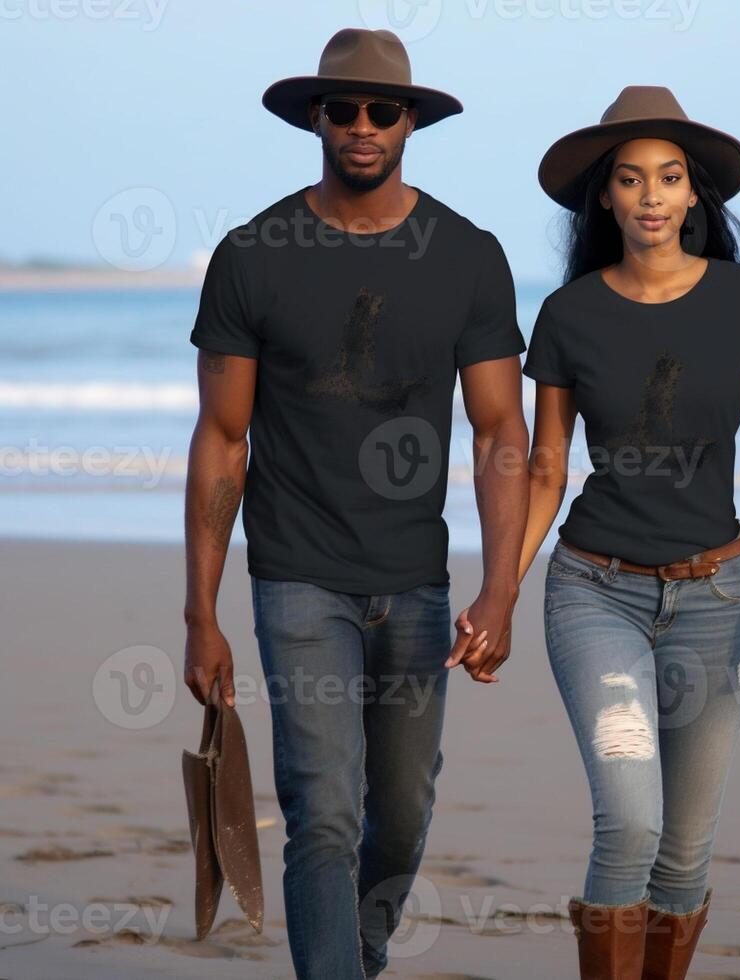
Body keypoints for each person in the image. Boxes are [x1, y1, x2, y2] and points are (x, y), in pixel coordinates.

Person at [183, 28, 528, 980]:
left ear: (411, 121)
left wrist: (500, 590)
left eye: (383, 110)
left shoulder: (468, 256)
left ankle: (360, 951)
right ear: (316, 118)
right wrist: (199, 614)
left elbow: (503, 433)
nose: (363, 126)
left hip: (416, 583)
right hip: (296, 577)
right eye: (344, 109)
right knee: (322, 811)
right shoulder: (253, 254)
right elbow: (222, 439)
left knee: (403, 814)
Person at [457, 85, 740, 979]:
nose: (651, 195)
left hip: (717, 599)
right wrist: (498, 591)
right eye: (630, 180)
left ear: (695, 195)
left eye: (668, 177)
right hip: (595, 591)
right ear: (606, 198)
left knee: (685, 854)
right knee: (631, 821)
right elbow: (546, 468)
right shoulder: (570, 315)